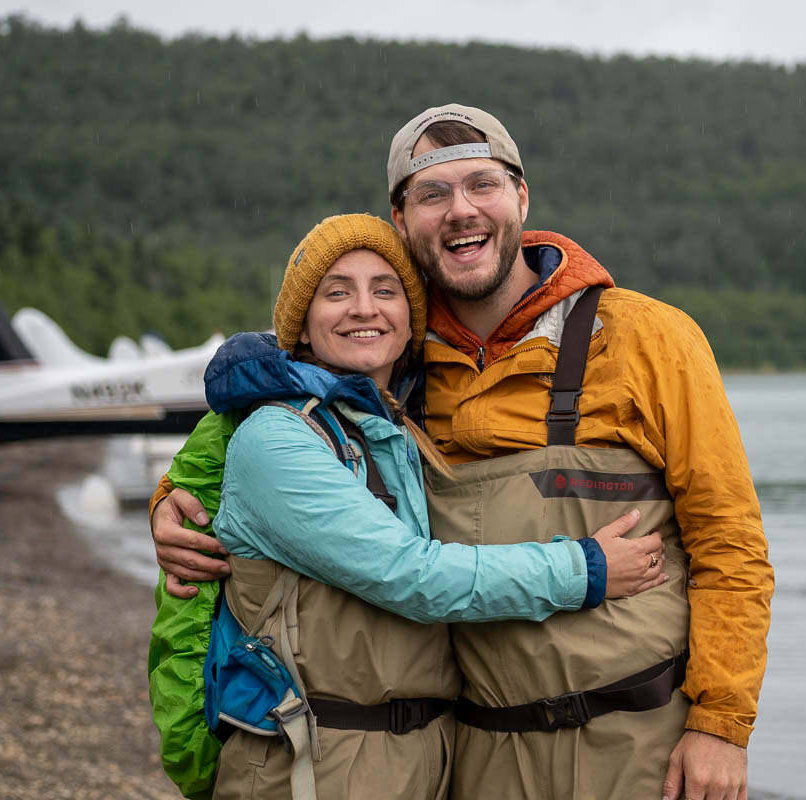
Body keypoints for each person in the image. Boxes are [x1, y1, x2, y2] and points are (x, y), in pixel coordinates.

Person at [153, 106, 774, 800]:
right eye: (432, 194)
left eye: (482, 184)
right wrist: (175, 502)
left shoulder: (649, 338)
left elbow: (730, 543)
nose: (460, 211)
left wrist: (720, 724)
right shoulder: (393, 364)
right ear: (401, 221)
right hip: (474, 759)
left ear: (521, 198)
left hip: (639, 747)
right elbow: (254, 415)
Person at [150, 213, 669, 800]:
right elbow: (409, 575)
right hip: (312, 761)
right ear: (299, 323)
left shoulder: (393, 422)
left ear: (411, 319)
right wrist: (586, 570)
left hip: (423, 757)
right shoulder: (278, 437)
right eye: (336, 292)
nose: (364, 308)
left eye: (386, 290)